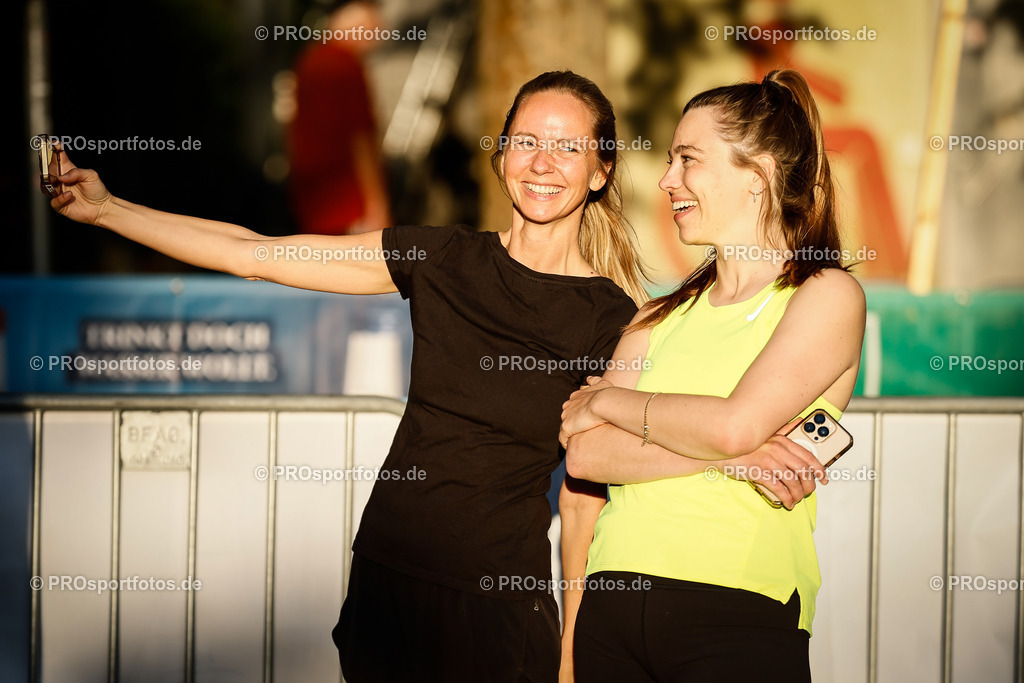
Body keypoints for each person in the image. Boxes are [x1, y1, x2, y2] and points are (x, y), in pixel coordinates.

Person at [47, 70, 648, 681]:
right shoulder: (440, 257)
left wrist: (571, 651)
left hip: (495, 607)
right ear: (501, 154)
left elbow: (583, 503)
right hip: (387, 581)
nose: (543, 162)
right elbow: (254, 254)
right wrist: (106, 210)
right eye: (527, 141)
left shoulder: (610, 320)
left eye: (567, 147)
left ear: (599, 171)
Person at [557, 69, 866, 682]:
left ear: (758, 176)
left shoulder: (827, 295)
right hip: (612, 609)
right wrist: (740, 459)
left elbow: (732, 425)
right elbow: (587, 456)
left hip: (737, 610)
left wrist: (608, 404)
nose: (667, 180)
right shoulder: (656, 315)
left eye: (688, 160)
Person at [288, 0, 390, 234]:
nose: (379, 29)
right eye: (371, 23)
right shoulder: (346, 65)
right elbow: (361, 139)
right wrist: (378, 206)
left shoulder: (308, 61)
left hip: (315, 203)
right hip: (351, 205)